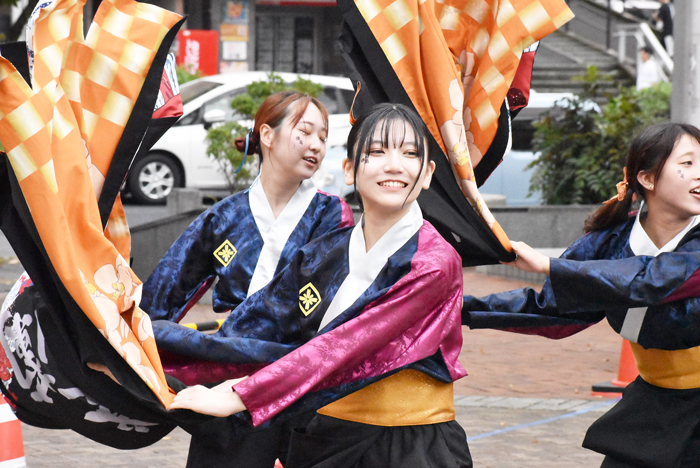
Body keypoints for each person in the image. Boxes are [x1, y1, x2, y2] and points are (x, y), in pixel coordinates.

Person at [161, 103, 473, 468]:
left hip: (410, 446)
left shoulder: (435, 262)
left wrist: (240, 395)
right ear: (349, 169)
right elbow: (253, 326)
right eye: (376, 152)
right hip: (324, 436)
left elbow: (347, 347)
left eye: (410, 153)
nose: (394, 165)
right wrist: (146, 356)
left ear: (428, 173)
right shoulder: (323, 253)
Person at [463, 122, 700, 468]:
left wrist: (549, 265)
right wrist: (459, 309)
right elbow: (554, 310)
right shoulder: (609, 241)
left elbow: (650, 281)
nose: (699, 173)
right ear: (647, 179)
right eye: (688, 163)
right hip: (655, 401)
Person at [141, 91, 354, 467]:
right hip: (228, 381)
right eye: (305, 132)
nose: (316, 145)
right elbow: (162, 294)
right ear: (267, 135)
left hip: (295, 378)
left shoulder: (331, 214)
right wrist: (125, 340)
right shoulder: (223, 217)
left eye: (322, 137)